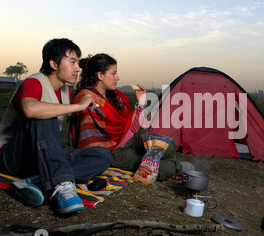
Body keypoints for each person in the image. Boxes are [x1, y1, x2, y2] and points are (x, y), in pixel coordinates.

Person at [0, 38, 113, 215]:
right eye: (72, 62)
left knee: (102, 154)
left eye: (78, 63)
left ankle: (37, 182)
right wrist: (77, 106)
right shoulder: (33, 82)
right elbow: (30, 109)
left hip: (40, 156)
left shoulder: (65, 90)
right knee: (43, 113)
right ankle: (61, 184)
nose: (78, 68)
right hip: (11, 157)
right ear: (54, 63)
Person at [71, 53, 190, 181]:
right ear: (100, 75)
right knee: (166, 168)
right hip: (114, 150)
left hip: (130, 137)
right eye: (113, 73)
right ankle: (175, 166)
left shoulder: (117, 97)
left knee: (169, 146)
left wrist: (140, 103)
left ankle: (171, 163)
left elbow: (133, 128)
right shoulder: (86, 97)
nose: (118, 77)